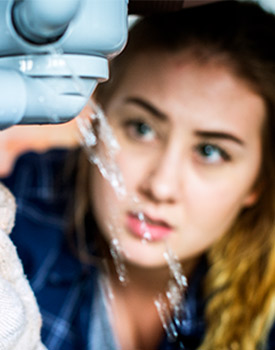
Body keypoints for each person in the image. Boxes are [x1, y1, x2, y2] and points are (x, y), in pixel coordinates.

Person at [2, 1, 275, 349]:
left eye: (210, 152)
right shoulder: (28, 206)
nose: (160, 186)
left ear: (257, 182)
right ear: (99, 119)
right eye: (141, 128)